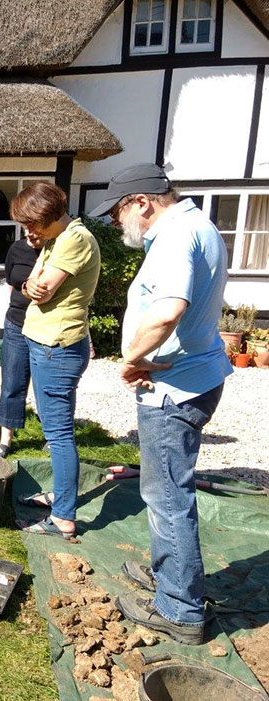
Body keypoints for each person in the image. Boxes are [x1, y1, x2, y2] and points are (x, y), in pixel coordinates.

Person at [90, 164, 231, 645]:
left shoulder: (174, 237)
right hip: (194, 375)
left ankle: (180, 609)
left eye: (117, 213)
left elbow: (169, 310)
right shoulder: (198, 225)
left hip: (175, 387)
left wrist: (132, 358)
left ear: (142, 202)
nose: (115, 224)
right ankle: (169, 577)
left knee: (167, 497)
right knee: (167, 491)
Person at [11, 182, 100, 540]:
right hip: (48, 344)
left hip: (57, 348)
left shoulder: (74, 239)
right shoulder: (55, 241)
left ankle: (63, 515)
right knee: (55, 430)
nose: (28, 232)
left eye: (32, 224)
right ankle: (60, 497)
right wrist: (28, 287)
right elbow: (28, 285)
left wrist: (32, 288)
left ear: (50, 217)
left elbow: (42, 290)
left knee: (59, 436)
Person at [0, 231, 42, 458]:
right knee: (12, 382)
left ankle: (54, 437)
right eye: (25, 226)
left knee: (47, 386)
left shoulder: (59, 249)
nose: (28, 232)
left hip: (46, 326)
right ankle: (5, 440)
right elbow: (10, 283)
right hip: (16, 323)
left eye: (33, 226)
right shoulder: (16, 249)